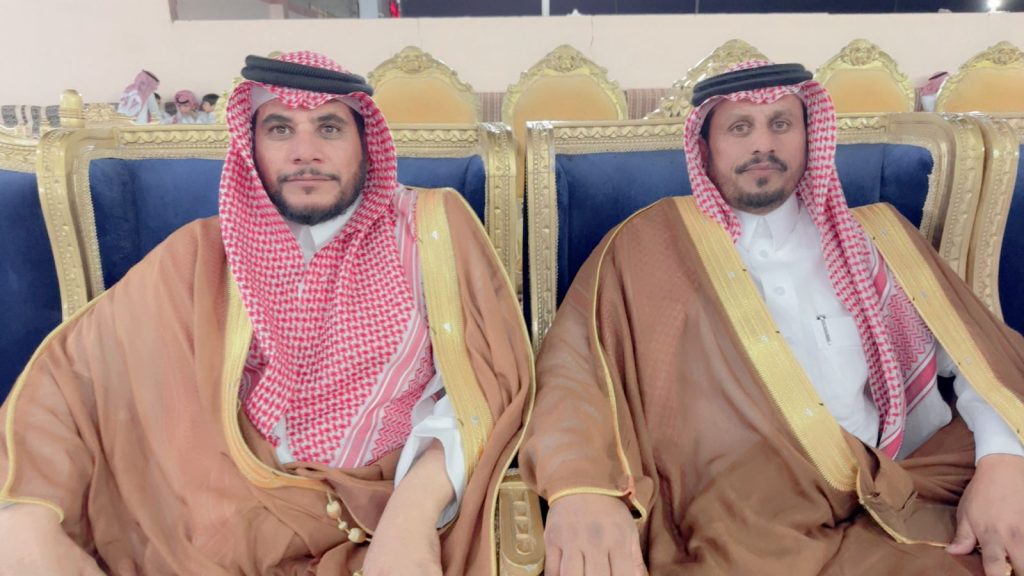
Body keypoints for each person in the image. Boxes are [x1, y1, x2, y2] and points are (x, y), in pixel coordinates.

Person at [0, 51, 532, 575]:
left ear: (365, 143)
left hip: (370, 527)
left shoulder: (430, 230)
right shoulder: (202, 253)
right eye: (279, 129)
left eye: (329, 128)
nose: (305, 152)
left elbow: (488, 383)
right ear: (251, 146)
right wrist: (27, 518)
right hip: (199, 530)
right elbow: (71, 376)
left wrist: (412, 514)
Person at [520, 61, 1024, 576]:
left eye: (781, 124)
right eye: (740, 128)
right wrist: (582, 488)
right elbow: (574, 371)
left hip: (892, 492)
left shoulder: (878, 239)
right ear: (705, 147)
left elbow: (982, 360)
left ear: (810, 136)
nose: (763, 144)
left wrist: (1003, 460)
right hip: (741, 516)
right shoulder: (649, 244)